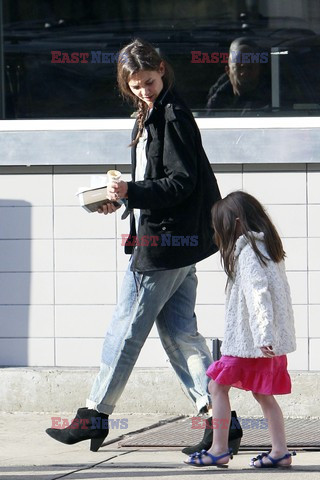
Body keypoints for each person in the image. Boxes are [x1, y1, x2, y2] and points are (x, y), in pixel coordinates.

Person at [46, 38, 224, 452]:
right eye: (136, 84)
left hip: (163, 244)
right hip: (175, 242)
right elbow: (157, 181)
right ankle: (221, 419)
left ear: (161, 69)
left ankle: (94, 415)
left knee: (125, 329)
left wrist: (132, 191)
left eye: (148, 81)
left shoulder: (172, 115)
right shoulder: (152, 112)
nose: (144, 89)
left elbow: (181, 182)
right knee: (181, 335)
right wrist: (122, 196)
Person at [185, 191, 296, 468]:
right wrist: (268, 334)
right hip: (262, 340)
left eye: (221, 226)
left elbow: (258, 294)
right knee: (262, 394)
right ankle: (280, 451)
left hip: (251, 342)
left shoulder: (248, 253)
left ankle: (220, 449)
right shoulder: (268, 248)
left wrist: (263, 334)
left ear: (236, 222)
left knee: (216, 386)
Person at [206, 37, 271, 112]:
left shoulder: (275, 98)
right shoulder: (217, 101)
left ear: (259, 69)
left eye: (250, 67)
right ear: (228, 71)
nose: (244, 72)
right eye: (239, 67)